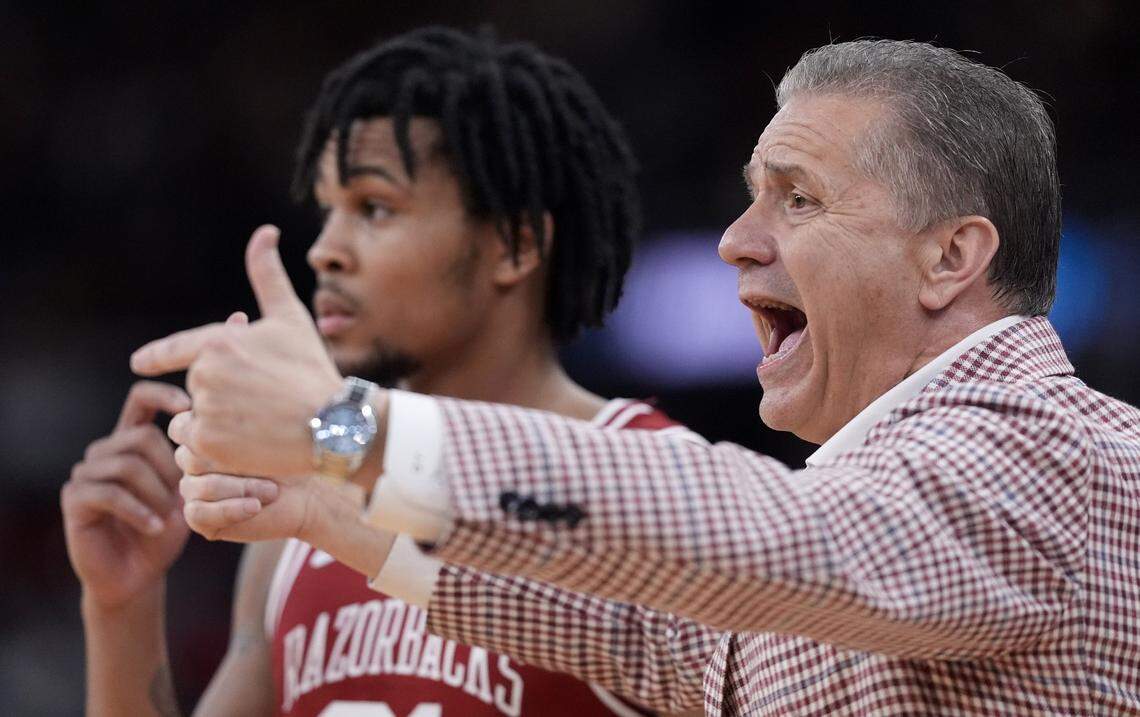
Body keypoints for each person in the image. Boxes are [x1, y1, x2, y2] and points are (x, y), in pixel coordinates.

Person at [132, 38, 1140, 715]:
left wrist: (345, 429)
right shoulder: (895, 502)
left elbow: (764, 539)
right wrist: (326, 511)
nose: (738, 242)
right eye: (753, 199)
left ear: (950, 257)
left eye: (798, 200)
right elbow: (645, 628)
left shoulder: (1043, 447)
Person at [62, 26, 715, 717]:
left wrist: (325, 428)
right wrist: (121, 606)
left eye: (374, 207)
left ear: (514, 245)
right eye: (327, 210)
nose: (324, 250)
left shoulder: (648, 466)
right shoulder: (299, 512)